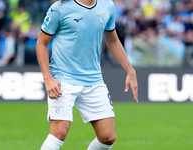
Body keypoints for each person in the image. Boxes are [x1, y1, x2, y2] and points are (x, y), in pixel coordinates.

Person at [36, 0, 138, 150]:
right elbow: (41, 43)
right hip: (63, 79)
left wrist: (130, 70)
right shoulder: (59, 8)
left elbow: (113, 40)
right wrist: (48, 78)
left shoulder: (107, 5)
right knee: (59, 131)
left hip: (94, 80)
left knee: (107, 137)